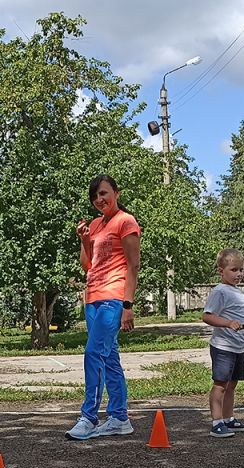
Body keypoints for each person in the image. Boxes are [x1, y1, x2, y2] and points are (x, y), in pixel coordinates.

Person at [66, 175, 141, 440]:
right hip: (92, 297)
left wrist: (128, 305)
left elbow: (133, 265)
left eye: (104, 193)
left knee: (93, 353)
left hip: (113, 297)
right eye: (95, 196)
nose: (99, 200)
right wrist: (85, 240)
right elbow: (88, 265)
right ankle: (119, 418)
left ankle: (88, 417)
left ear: (116, 193)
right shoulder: (95, 224)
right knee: (109, 357)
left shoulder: (126, 221)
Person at [203, 249, 244, 438]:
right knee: (220, 385)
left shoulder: (238, 293)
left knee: (232, 384)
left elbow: (241, 319)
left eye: (241, 270)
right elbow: (207, 316)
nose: (239, 274)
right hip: (223, 346)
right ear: (221, 271)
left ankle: (228, 419)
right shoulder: (220, 291)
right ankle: (216, 423)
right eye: (234, 270)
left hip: (238, 346)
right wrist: (227, 323)